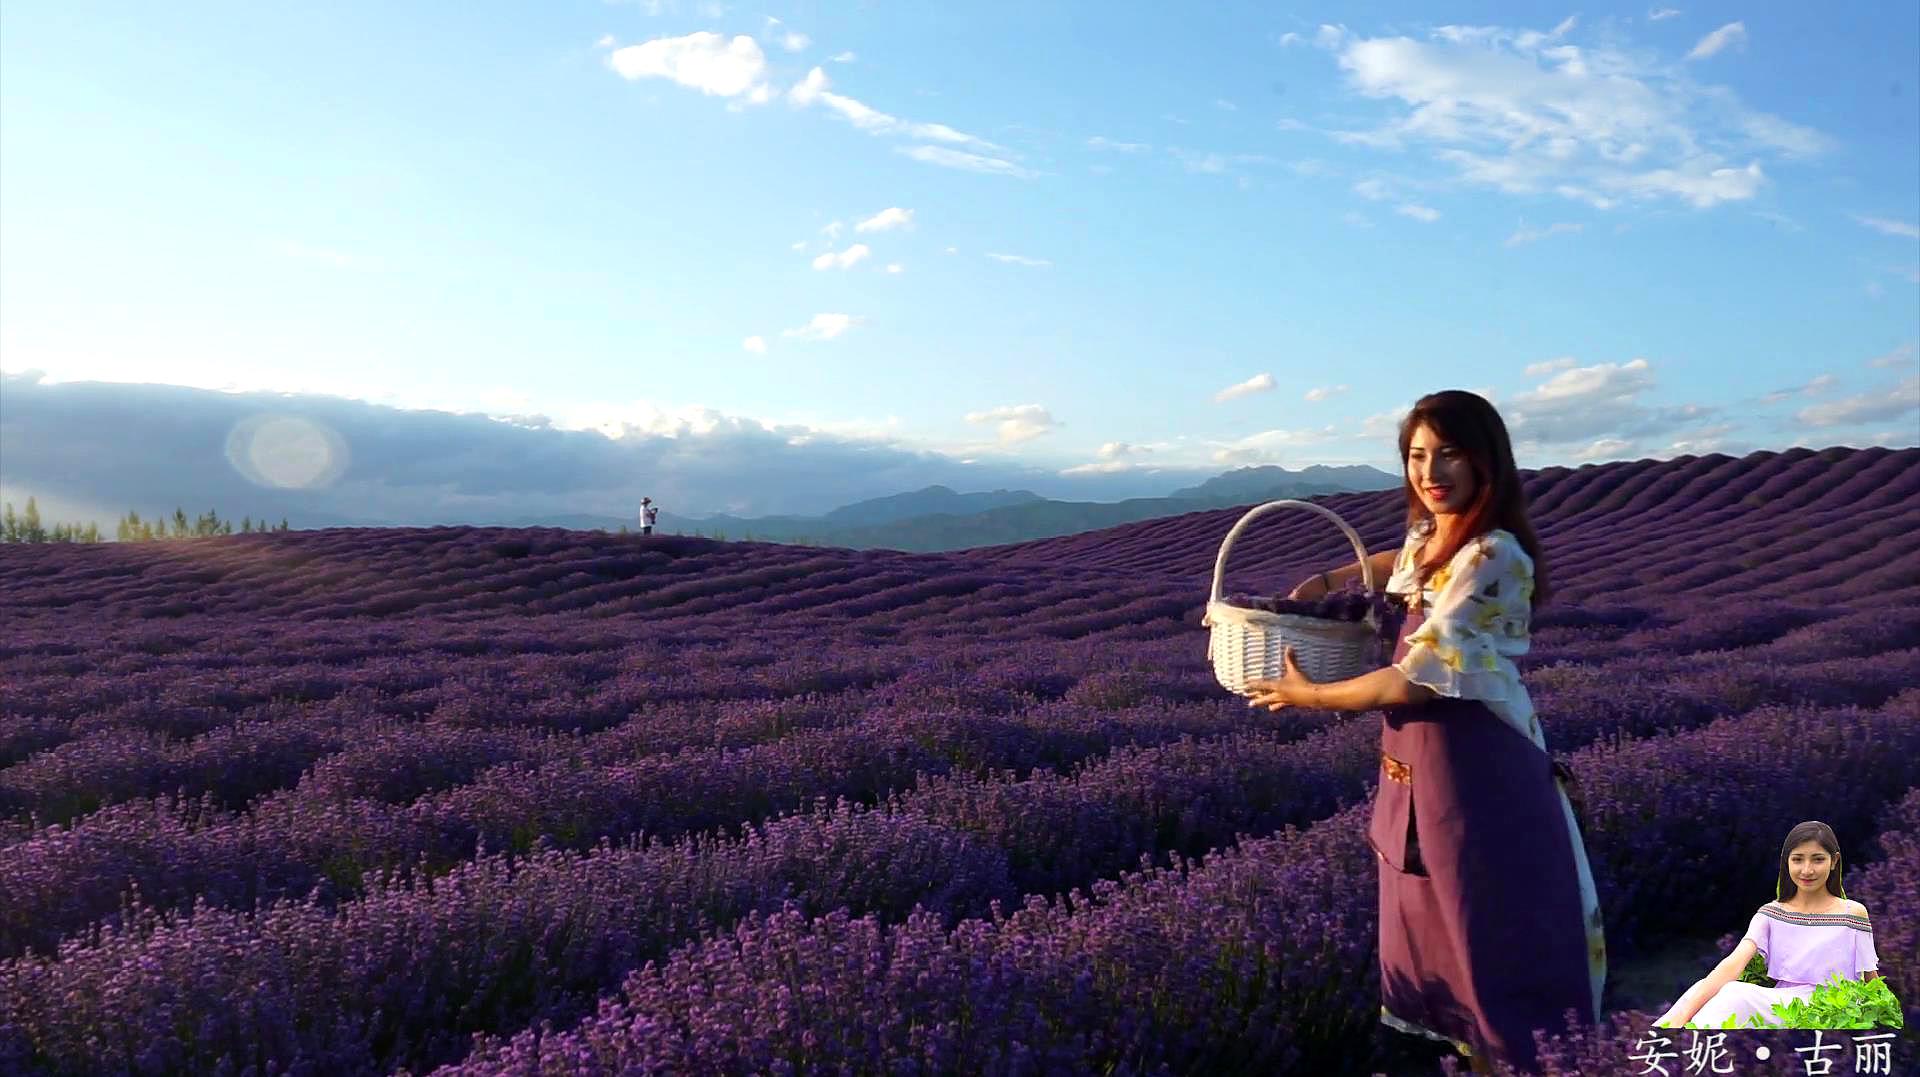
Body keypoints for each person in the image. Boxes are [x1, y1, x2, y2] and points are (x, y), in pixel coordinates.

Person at [1243, 390, 1603, 1074]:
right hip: (1415, 764)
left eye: (1449, 453)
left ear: (1485, 460)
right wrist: (1327, 578)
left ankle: (1526, 1059)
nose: (1430, 470)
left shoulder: (1494, 552)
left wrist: (1308, 694)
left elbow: (1413, 679)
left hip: (1479, 767)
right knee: (1426, 913)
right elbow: (1396, 560)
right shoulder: (1433, 535)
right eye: (1416, 454)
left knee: (1490, 922)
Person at [1654, 821, 1880, 1029]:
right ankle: (1662, 1041)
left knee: (1735, 994)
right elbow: (1733, 964)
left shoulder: (1853, 912)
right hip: (1786, 1007)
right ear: (1786, 862)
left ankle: (1680, 1045)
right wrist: (1682, 1016)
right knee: (1701, 988)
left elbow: (1871, 977)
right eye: (1798, 859)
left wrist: (1882, 1019)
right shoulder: (1771, 913)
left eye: (1818, 859)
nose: (1807, 870)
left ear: (1834, 861)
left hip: (1833, 1008)